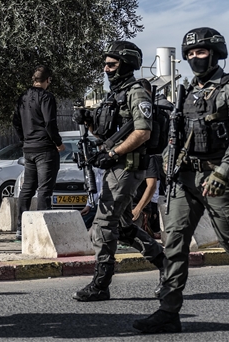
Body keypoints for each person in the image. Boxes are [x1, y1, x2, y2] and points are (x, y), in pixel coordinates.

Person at [135, 28, 229, 334]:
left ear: (215, 54)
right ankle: (169, 311)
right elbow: (176, 135)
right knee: (174, 243)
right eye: (190, 54)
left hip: (217, 178)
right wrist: (168, 165)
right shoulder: (186, 91)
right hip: (184, 177)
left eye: (200, 52)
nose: (194, 58)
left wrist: (223, 172)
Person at [71, 41, 166, 304]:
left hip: (127, 167)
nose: (106, 69)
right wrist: (88, 121)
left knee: (103, 225)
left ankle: (101, 285)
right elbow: (104, 135)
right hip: (114, 166)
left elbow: (143, 132)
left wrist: (113, 154)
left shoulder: (137, 92)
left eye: (111, 65)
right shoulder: (114, 95)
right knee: (123, 227)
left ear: (126, 64)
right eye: (105, 65)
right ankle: (166, 265)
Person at [13, 64, 65, 240]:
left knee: (27, 188)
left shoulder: (23, 97)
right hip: (45, 148)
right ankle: (43, 228)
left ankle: (21, 228)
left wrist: (24, 139)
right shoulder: (47, 97)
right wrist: (58, 142)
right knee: (44, 189)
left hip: (29, 148)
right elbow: (50, 122)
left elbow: (15, 122)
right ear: (48, 80)